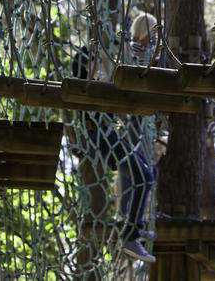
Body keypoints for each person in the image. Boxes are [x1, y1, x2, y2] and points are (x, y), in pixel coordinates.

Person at [70, 15, 159, 263]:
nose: (100, 67)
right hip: (101, 141)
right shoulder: (86, 88)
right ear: (87, 66)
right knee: (142, 177)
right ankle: (130, 235)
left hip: (110, 137)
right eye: (95, 63)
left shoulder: (97, 86)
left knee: (148, 172)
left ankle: (129, 224)